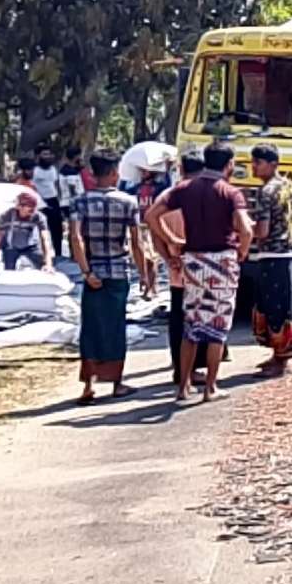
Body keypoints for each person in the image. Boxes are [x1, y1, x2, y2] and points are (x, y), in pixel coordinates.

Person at [145, 141, 253, 402]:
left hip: (192, 260)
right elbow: (245, 229)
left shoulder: (182, 189)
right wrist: (242, 251)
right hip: (222, 260)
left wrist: (173, 240)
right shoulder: (230, 193)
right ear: (229, 165)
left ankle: (183, 386)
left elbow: (151, 215)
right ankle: (210, 387)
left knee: (191, 324)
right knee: (218, 325)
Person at [68, 148, 147, 403]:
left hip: (93, 273)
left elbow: (75, 238)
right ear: (114, 173)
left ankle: (88, 385)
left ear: (92, 172)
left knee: (90, 328)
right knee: (115, 328)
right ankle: (116, 382)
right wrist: (144, 275)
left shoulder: (79, 202)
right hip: (117, 273)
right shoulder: (128, 202)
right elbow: (136, 244)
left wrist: (85, 271)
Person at [152, 148, 216, 390]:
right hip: (201, 268)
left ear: (180, 169)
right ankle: (195, 370)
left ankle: (180, 368)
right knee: (200, 318)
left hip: (176, 269)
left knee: (178, 318)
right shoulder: (203, 195)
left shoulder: (168, 196)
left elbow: (154, 229)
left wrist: (168, 256)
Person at [248, 144, 292, 378]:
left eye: (258, 162)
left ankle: (281, 360)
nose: (254, 167)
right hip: (288, 252)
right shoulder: (287, 186)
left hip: (273, 254)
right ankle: (278, 356)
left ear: (272, 164)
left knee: (274, 308)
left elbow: (262, 230)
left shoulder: (265, 192)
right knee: (281, 306)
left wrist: (243, 228)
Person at [121, 165, 172, 300]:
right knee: (141, 254)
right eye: (141, 170)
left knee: (152, 257)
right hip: (138, 224)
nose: (143, 173)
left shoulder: (159, 187)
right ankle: (149, 283)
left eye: (146, 170)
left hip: (152, 224)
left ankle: (150, 286)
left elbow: (168, 186)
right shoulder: (133, 188)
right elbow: (122, 191)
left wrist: (167, 168)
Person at [0, 190, 53, 273]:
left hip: (30, 246)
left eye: (34, 208)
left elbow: (45, 240)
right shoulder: (6, 216)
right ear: (20, 207)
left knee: (43, 265)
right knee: (9, 272)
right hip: (11, 247)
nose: (32, 211)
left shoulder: (38, 217)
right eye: (29, 208)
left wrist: (48, 264)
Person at [32, 144, 65, 256]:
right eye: (44, 154)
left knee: (57, 228)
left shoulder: (52, 169)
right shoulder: (35, 170)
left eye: (49, 154)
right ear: (38, 156)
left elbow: (55, 184)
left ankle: (58, 253)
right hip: (40, 201)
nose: (47, 156)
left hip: (53, 200)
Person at [58, 147, 88, 212]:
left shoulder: (65, 169)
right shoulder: (70, 172)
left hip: (67, 202)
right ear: (76, 157)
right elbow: (72, 189)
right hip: (71, 203)